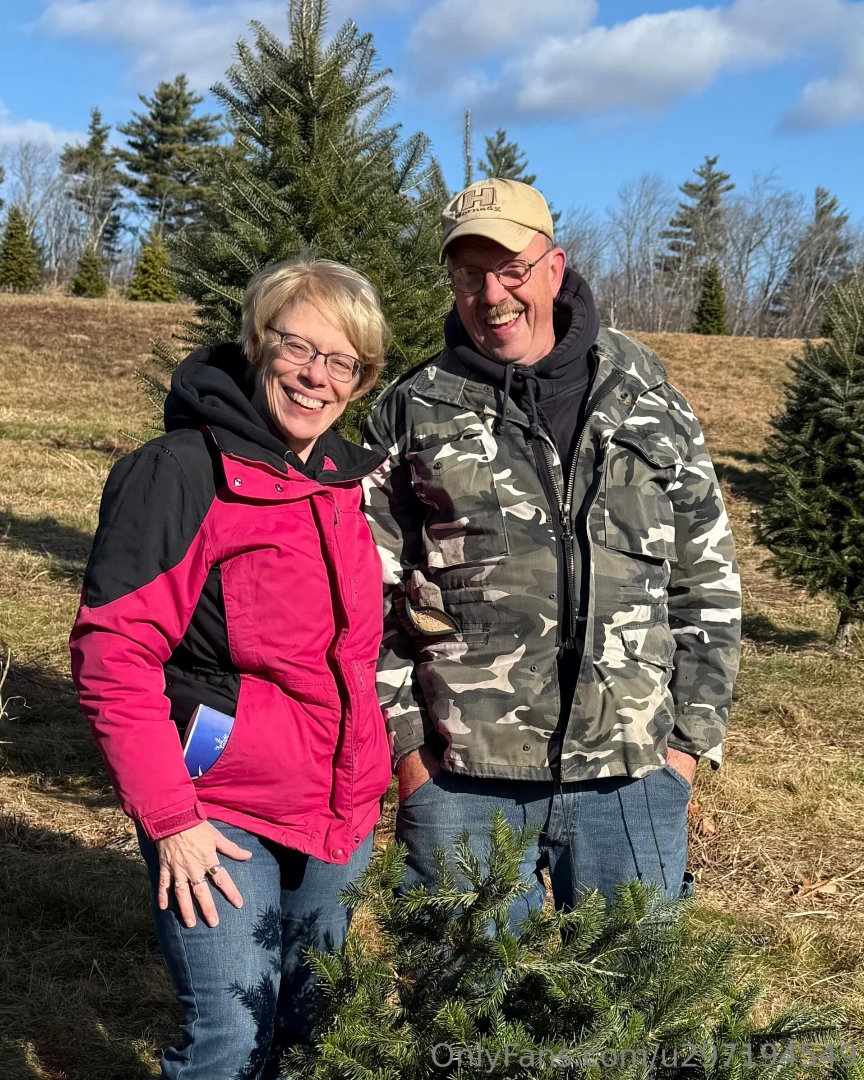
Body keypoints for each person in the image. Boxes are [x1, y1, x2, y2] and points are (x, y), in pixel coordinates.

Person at [362, 179, 741, 921]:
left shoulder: (647, 394)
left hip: (631, 779)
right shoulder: (414, 410)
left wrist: (685, 752)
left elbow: (708, 580)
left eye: (511, 270)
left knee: (628, 1007)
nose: (491, 293)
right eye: (468, 275)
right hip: (466, 782)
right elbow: (367, 594)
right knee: (463, 1012)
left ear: (555, 268)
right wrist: (410, 755)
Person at [70, 258, 392, 1079]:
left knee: (310, 1030)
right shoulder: (180, 471)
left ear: (360, 380)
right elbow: (115, 653)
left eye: (342, 361)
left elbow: (352, 656)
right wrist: (171, 819)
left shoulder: (340, 485)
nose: (317, 376)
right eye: (298, 347)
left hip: (334, 817)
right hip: (220, 813)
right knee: (229, 1040)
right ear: (257, 343)